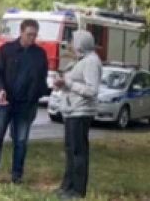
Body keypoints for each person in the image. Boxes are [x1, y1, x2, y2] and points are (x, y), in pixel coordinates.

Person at [0, 18, 50, 183]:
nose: (32, 38)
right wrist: (0, 89)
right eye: (29, 34)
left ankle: (16, 175)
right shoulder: (7, 50)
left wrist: (39, 94)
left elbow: (42, 78)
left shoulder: (39, 54)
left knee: (20, 140)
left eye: (34, 35)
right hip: (4, 102)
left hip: (26, 105)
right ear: (21, 32)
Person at [53, 30, 101, 199]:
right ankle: (67, 186)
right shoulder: (80, 60)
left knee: (78, 151)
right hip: (71, 110)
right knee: (70, 150)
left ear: (82, 43)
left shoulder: (91, 62)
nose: (71, 45)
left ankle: (77, 190)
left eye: (73, 41)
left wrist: (69, 83)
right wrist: (62, 84)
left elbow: (92, 90)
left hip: (81, 111)